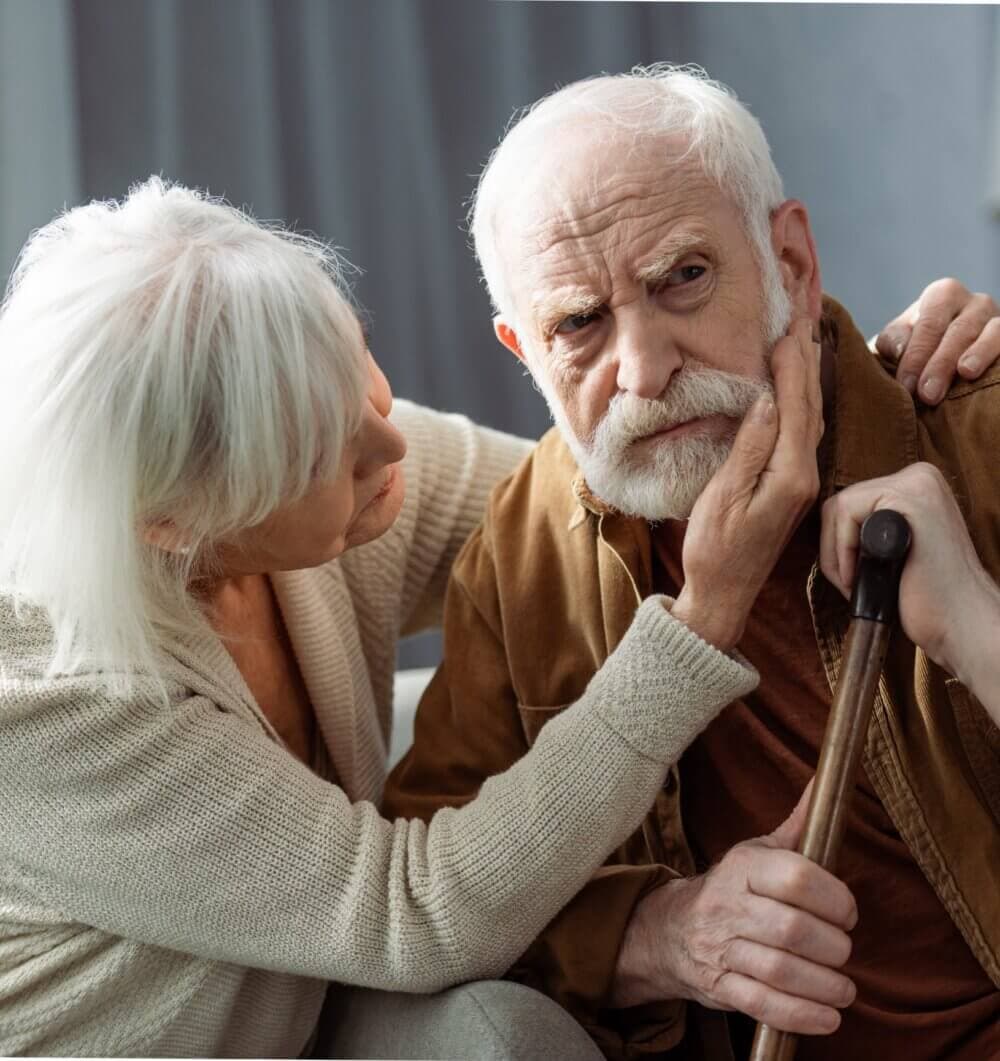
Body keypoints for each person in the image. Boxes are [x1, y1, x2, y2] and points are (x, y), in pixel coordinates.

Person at [0, 180, 989, 1061]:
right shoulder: (50, 700)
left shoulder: (343, 461)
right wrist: (701, 619)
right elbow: (411, 914)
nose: (391, 442)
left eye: (356, 375)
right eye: (323, 454)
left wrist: (871, 380)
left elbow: (621, 487)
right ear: (177, 522)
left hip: (318, 1007)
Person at [384, 65, 1000, 1060]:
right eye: (578, 323)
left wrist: (975, 622)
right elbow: (432, 896)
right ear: (522, 353)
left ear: (790, 261)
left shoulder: (977, 426)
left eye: (682, 278)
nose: (643, 366)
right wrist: (654, 933)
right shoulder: (525, 543)